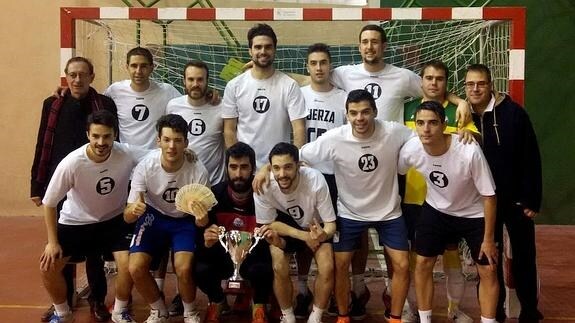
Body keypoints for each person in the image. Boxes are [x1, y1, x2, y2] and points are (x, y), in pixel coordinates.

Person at [297, 89, 414, 323]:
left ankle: (395, 317)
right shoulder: (335, 138)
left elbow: (417, 138)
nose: (359, 118)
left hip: (389, 211)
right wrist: (269, 168)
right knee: (341, 264)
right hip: (350, 212)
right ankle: (343, 315)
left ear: (375, 112)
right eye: (353, 113)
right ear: (347, 115)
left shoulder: (393, 131)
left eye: (365, 112)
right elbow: (300, 155)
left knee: (402, 264)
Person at [31, 56, 117, 322]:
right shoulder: (53, 104)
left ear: (92, 76)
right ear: (66, 77)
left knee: (95, 251)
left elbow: (117, 141)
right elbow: (42, 141)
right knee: (61, 248)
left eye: (83, 74)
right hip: (60, 182)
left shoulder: (105, 104)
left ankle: (97, 301)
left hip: (93, 183)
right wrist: (37, 182)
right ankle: (63, 301)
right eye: (72, 75)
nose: (77, 80)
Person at [398, 100, 499, 323]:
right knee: (423, 263)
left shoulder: (468, 150)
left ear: (445, 125)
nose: (426, 129)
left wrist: (489, 239)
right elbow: (397, 172)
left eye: (432, 123)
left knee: (488, 269)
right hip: (436, 210)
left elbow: (489, 196)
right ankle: (425, 319)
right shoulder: (411, 149)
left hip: (474, 214)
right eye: (420, 123)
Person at [39, 110, 141, 323]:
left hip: (113, 222)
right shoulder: (72, 163)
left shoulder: (126, 153)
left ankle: (120, 311)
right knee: (48, 268)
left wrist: (185, 153)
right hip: (76, 223)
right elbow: (49, 203)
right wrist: (52, 242)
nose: (101, 142)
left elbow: (156, 155)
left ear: (115, 135)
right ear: (88, 135)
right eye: (96, 136)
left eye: (106, 136)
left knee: (129, 266)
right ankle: (62, 314)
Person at [402, 59, 479, 322]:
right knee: (418, 258)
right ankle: (415, 308)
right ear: (421, 81)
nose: (434, 83)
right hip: (413, 195)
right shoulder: (406, 110)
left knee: (451, 254)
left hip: (450, 199)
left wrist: (461, 106)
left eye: (440, 78)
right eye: (429, 78)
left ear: (447, 82)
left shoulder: (458, 113)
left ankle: (453, 310)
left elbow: (473, 139)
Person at [465, 64, 543, 323]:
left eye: (481, 84)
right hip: (482, 203)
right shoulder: (462, 117)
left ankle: (529, 311)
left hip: (516, 200)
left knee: (524, 258)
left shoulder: (513, 114)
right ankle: (493, 311)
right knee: (488, 260)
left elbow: (531, 155)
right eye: (470, 84)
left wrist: (532, 197)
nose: (476, 89)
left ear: (490, 85)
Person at [125, 114, 210, 323]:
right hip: (154, 217)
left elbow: (203, 222)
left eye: (178, 140)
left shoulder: (198, 170)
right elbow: (127, 217)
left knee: (183, 267)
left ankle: (190, 311)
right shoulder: (146, 167)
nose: (172, 146)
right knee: (135, 267)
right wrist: (133, 210)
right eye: (167, 140)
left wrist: (201, 218)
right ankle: (158, 310)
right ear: (158, 141)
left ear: (186, 143)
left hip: (183, 220)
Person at [255, 143, 336, 323]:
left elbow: (331, 224)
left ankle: (315, 317)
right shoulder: (263, 184)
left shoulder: (315, 180)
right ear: (270, 168)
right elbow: (268, 224)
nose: (282, 174)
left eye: (288, 167)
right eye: (276, 168)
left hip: (315, 226)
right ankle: (288, 316)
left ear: (299, 166)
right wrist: (302, 236)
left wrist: (321, 235)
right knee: (278, 265)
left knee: (327, 266)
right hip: (285, 226)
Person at [295, 42, 346, 319]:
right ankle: (302, 289)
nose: (318, 67)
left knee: (333, 234)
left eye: (323, 62)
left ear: (330, 66)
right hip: (303, 173)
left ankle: (339, 291)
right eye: (313, 63)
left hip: (334, 175)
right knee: (306, 231)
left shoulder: (343, 98)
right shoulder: (298, 95)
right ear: (307, 67)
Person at [196, 142, 274, 323]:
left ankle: (259, 305)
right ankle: (218, 301)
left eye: (244, 167)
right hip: (224, 258)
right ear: (226, 168)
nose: (238, 174)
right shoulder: (213, 196)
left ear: (253, 168)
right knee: (199, 268)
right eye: (233, 167)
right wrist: (206, 240)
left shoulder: (264, 196)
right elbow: (202, 243)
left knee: (267, 267)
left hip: (254, 258)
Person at [222, 23, 307, 168]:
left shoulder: (289, 85)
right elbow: (229, 130)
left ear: (274, 50)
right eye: (258, 47)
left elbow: (299, 129)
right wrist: (238, 165)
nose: (263, 51)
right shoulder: (234, 86)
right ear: (250, 50)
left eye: (268, 47)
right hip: (246, 169)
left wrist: (293, 163)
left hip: (279, 168)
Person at [104, 47, 180, 149]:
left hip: (153, 156)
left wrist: (208, 99)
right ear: (127, 67)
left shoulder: (167, 91)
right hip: (126, 155)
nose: (138, 71)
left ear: (152, 67)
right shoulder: (115, 90)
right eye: (134, 66)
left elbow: (188, 106)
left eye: (143, 66)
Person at [166, 60, 225, 185]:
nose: (195, 84)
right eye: (191, 79)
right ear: (184, 81)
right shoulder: (173, 106)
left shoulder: (222, 106)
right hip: (182, 183)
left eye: (200, 79)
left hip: (215, 183)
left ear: (207, 81)